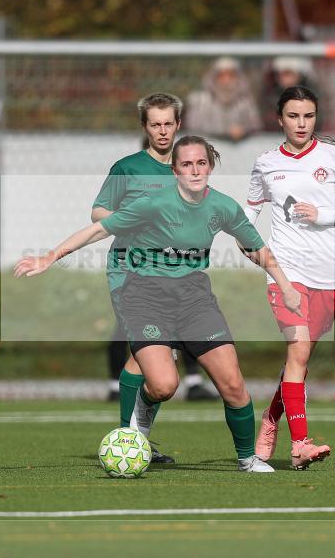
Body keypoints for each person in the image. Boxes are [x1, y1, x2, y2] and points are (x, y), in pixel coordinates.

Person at [17, 136, 303, 472]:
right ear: (175, 170)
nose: (195, 170)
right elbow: (98, 230)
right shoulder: (153, 203)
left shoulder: (223, 207)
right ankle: (137, 427)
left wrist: (285, 285)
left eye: (201, 163)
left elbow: (256, 248)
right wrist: (49, 257)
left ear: (210, 166)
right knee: (164, 385)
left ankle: (246, 459)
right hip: (145, 297)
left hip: (195, 300)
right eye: (186, 164)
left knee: (233, 384)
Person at [245, 85, 335, 470]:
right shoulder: (266, 162)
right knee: (298, 352)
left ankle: (270, 419)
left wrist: (324, 215)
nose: (301, 123)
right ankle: (300, 444)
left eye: (309, 116)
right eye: (294, 116)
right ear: (279, 118)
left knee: (298, 361)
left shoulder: (334, 158)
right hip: (286, 272)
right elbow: (248, 212)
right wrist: (247, 243)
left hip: (328, 272)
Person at [97, 94, 218, 421]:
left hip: (173, 274)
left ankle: (135, 435)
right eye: (155, 124)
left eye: (168, 124)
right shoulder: (127, 168)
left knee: (159, 361)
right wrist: (134, 218)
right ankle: (129, 435)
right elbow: (99, 213)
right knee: (146, 352)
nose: (163, 131)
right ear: (144, 126)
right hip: (129, 272)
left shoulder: (187, 168)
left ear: (178, 125)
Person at [185, 57, 261, 141]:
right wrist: (225, 132)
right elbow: (193, 127)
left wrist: (244, 130)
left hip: (240, 149)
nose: (226, 80)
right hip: (208, 147)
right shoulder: (201, 100)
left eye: (231, 75)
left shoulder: (245, 101)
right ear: (213, 77)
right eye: (221, 76)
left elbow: (256, 126)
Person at [260, 56, 325, 133]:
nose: (283, 78)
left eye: (287, 73)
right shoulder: (270, 93)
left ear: (298, 75)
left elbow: (317, 119)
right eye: (280, 74)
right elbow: (266, 120)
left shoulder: (312, 94)